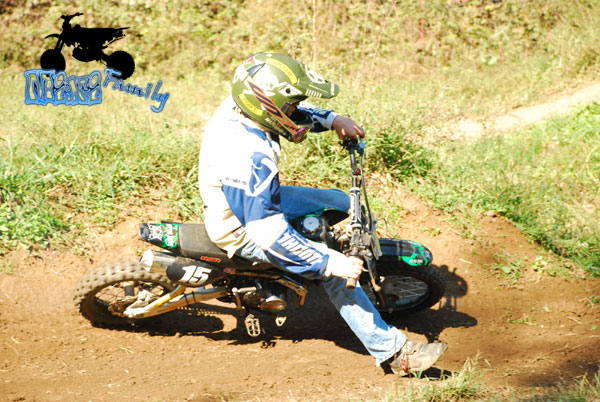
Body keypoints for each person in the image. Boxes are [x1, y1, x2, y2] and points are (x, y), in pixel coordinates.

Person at [198, 52, 446, 375]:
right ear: (269, 107)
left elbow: (291, 114)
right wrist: (332, 261)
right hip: (242, 227)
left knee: (339, 201)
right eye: (290, 105)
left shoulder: (244, 106)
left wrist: (332, 120)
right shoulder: (249, 158)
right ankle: (394, 353)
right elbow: (271, 238)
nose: (294, 110)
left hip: (254, 200)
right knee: (331, 269)